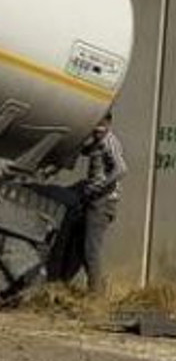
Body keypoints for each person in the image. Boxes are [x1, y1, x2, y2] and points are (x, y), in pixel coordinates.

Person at [79, 112, 127, 293]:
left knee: (91, 250)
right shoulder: (98, 141)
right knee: (87, 248)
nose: (97, 131)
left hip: (102, 202)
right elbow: (85, 150)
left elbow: (121, 168)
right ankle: (97, 288)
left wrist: (101, 186)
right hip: (95, 201)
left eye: (101, 127)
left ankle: (96, 296)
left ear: (108, 124)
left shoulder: (109, 142)